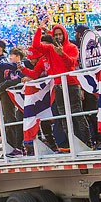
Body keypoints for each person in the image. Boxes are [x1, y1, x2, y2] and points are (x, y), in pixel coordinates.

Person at [30, 22, 89, 152]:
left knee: (77, 114)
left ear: (64, 34)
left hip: (72, 84)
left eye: (60, 34)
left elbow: (72, 64)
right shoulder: (50, 48)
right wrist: (39, 29)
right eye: (56, 34)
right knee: (63, 116)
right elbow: (35, 45)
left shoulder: (72, 47)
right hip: (58, 85)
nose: (58, 37)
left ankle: (86, 142)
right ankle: (72, 143)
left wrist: (62, 54)